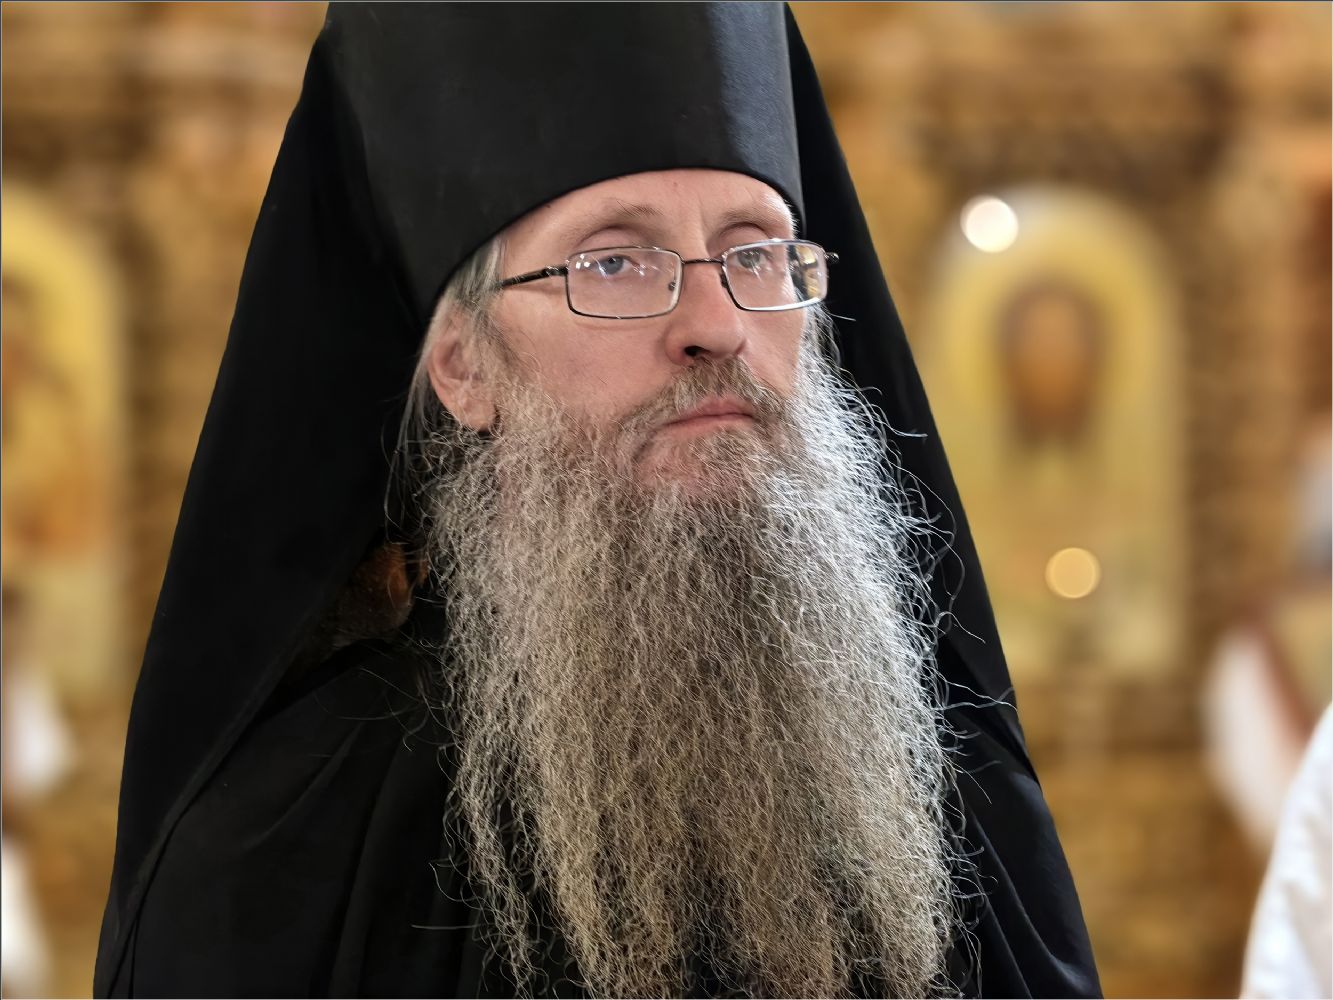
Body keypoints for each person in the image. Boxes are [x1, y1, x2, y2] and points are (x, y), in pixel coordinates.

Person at [94, 5, 1101, 998]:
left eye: (754, 252)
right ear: (462, 368)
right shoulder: (285, 848)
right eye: (614, 262)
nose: (717, 325)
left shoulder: (943, 793)